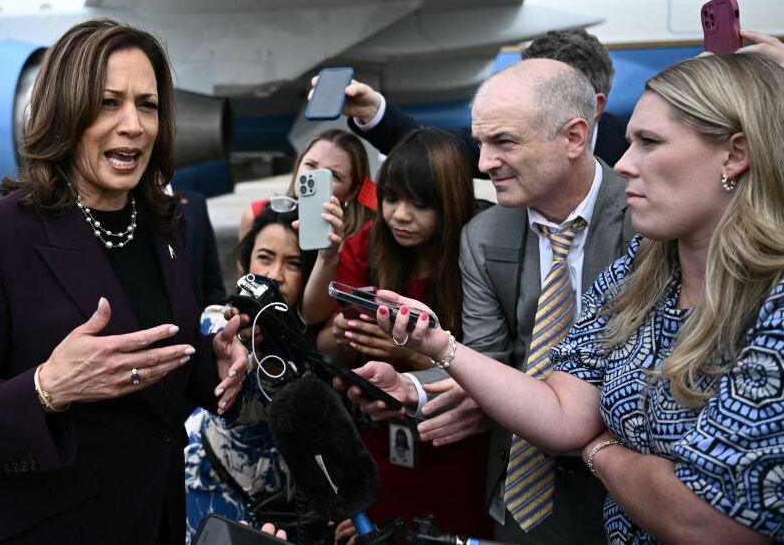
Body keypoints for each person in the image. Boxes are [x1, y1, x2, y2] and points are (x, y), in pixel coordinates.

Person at [356, 53, 784, 542]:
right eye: (480, 143)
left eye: (650, 142)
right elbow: (559, 411)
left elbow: (707, 520)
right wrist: (438, 350)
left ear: (734, 155)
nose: (625, 164)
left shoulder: (762, 298)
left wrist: (597, 447)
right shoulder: (641, 268)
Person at [0, 19, 249, 544]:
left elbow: (145, 376)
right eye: (108, 102)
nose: (134, 124)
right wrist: (46, 389)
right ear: (65, 112)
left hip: (151, 521)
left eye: (148, 105)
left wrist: (209, 363)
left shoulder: (168, 225)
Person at [341, 58, 632, 544]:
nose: (483, 163)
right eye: (480, 143)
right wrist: (410, 386)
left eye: (504, 142)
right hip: (522, 497)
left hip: (628, 494)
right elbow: (486, 361)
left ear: (575, 137)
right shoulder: (483, 236)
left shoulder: (645, 221)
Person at [318, 128, 493, 539]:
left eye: (420, 204)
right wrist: (343, 335)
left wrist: (418, 356)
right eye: (392, 198)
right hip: (379, 443)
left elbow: (493, 362)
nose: (399, 215)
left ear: (450, 203)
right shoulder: (368, 244)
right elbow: (324, 343)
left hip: (454, 442)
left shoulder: (479, 251)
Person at [185, 204, 323, 542]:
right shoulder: (215, 324)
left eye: (294, 263)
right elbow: (233, 404)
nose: (276, 273)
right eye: (265, 257)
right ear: (242, 266)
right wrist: (246, 342)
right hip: (210, 498)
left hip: (285, 516)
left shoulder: (317, 343)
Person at [336, 27, 629, 170]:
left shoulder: (631, 160)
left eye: (542, 95)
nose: (487, 163)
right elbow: (429, 148)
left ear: (595, 107)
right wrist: (373, 111)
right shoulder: (502, 143)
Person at [238, 128, 375, 329]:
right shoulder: (258, 214)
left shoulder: (357, 241)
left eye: (333, 176)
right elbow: (245, 285)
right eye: (310, 165)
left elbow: (314, 318)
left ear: (352, 192)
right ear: (297, 165)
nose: (313, 178)